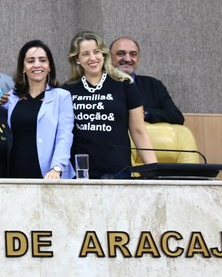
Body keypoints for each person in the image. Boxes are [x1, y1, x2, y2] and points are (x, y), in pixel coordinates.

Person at [62, 31, 157, 178]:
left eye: (96, 52)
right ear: (77, 59)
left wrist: (154, 172)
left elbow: (139, 131)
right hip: (80, 172)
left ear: (104, 55)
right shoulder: (66, 90)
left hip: (118, 171)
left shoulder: (125, 85)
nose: (92, 58)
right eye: (85, 54)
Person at [5, 40, 74, 179]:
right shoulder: (11, 97)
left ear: (49, 67)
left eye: (42, 60)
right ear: (23, 67)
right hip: (15, 173)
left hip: (50, 175)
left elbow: (64, 136)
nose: (37, 65)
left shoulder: (62, 96)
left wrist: (57, 168)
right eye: (30, 61)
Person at [109, 36, 184, 124]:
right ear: (109, 57)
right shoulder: (98, 85)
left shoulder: (154, 85)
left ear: (138, 59)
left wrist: (145, 114)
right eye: (121, 53)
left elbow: (177, 117)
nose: (127, 59)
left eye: (133, 54)